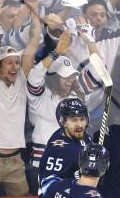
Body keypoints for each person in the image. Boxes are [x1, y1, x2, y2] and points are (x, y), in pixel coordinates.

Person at [0, 0, 42, 198]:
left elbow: (33, 42)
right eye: (8, 63)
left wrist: (36, 14)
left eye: (17, 63)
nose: (15, 67)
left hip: (16, 161)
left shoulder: (22, 80)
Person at [27, 55, 83, 190]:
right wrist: (54, 54)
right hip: (41, 165)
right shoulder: (41, 97)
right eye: (65, 77)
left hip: (69, 166)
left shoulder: (77, 99)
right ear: (54, 77)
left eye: (72, 76)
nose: (70, 81)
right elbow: (34, 77)